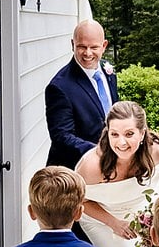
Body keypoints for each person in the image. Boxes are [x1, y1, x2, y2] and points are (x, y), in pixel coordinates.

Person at [76, 101, 159, 247]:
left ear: (142, 133)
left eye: (129, 134)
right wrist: (113, 223)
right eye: (115, 134)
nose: (121, 142)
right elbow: (79, 202)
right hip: (100, 218)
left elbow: (148, 188)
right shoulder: (91, 166)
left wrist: (148, 215)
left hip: (135, 215)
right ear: (107, 133)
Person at [45, 19, 119, 169]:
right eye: (81, 47)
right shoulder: (59, 87)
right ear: (72, 44)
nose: (88, 53)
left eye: (94, 47)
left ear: (104, 46)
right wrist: (100, 151)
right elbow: (61, 136)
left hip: (109, 165)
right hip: (74, 171)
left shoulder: (108, 71)